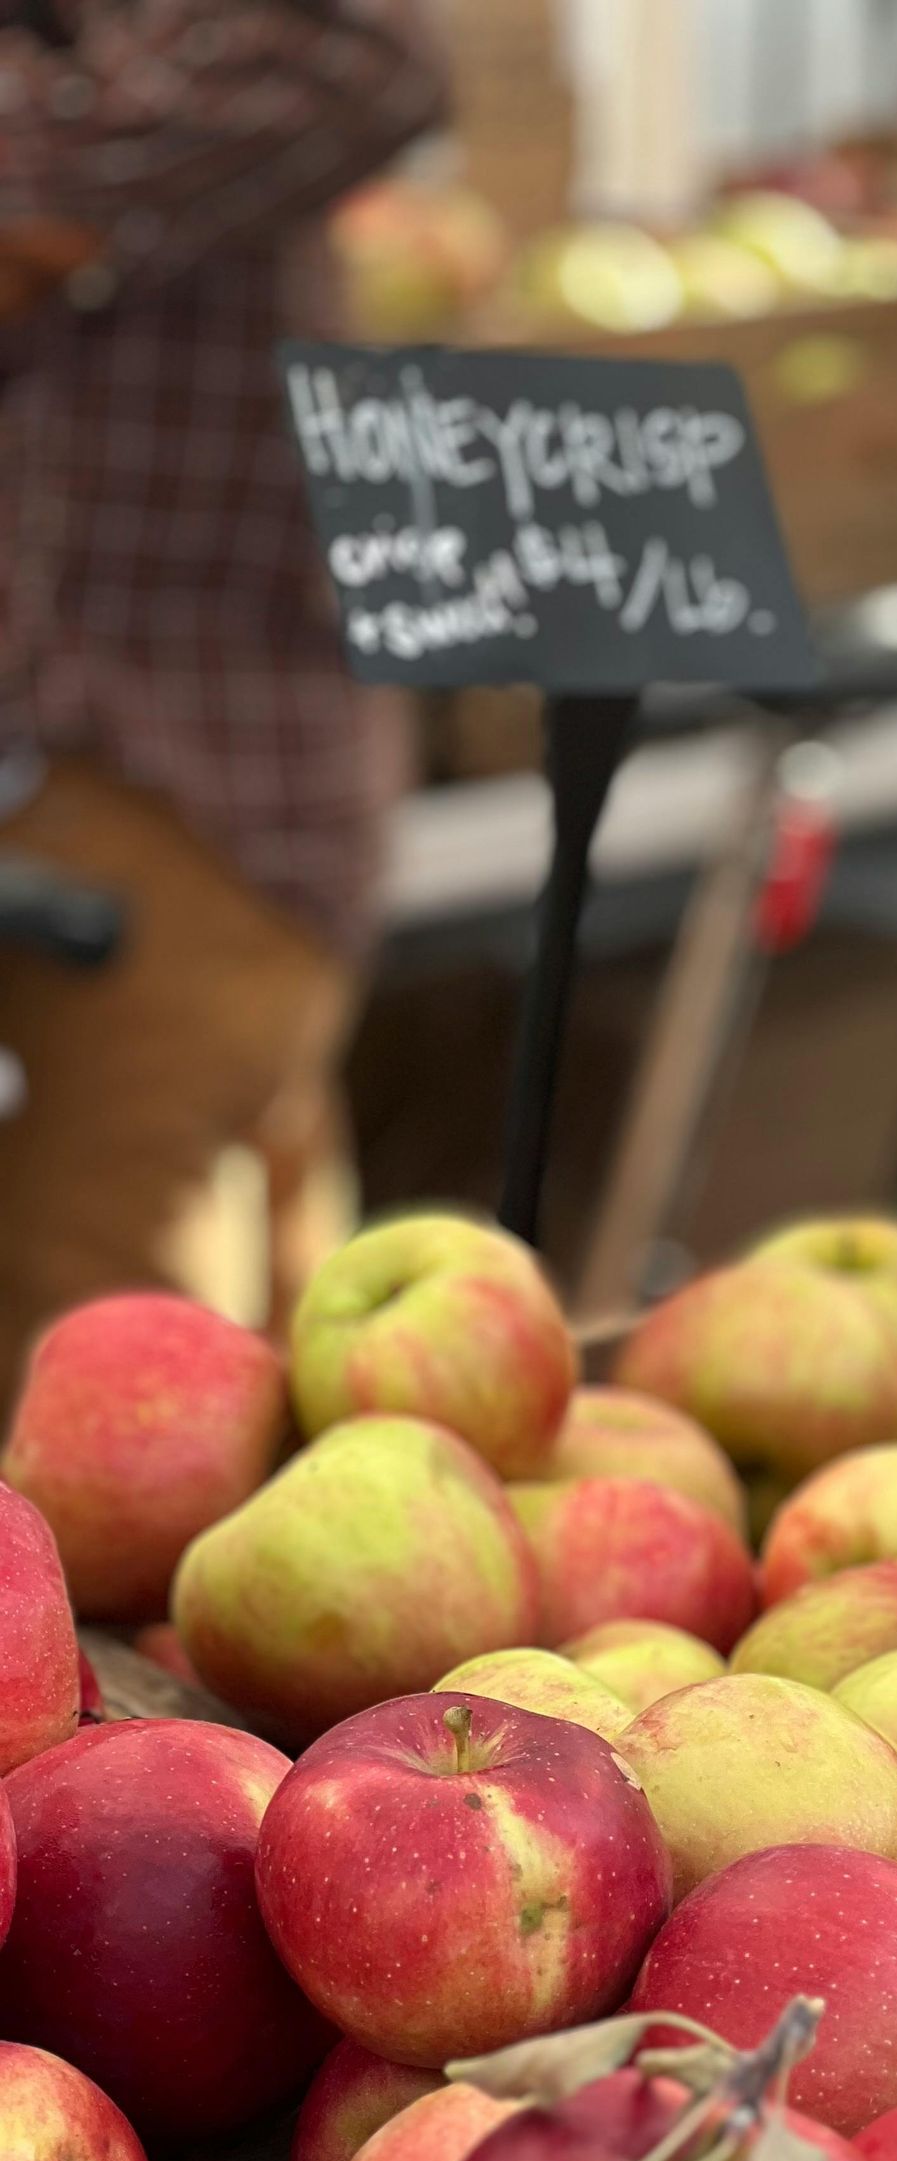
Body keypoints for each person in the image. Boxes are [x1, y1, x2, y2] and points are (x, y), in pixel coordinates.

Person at [0, 0, 447, 1388]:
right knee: (265, 1361)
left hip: (190, 764)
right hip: (84, 750)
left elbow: (365, 49)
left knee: (101, 1359)